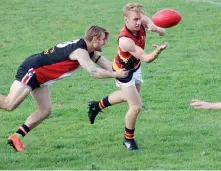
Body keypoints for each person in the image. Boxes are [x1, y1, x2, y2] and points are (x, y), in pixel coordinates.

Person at [0, 25, 128, 152]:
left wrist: (129, 66)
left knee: (45, 110)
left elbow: (108, 65)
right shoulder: (80, 51)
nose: (105, 42)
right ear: (95, 39)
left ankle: (16, 137)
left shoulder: (89, 50)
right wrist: (115, 75)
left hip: (41, 77)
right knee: (9, 104)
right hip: (33, 70)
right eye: (103, 39)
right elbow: (93, 72)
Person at [87, 3, 167, 150]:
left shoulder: (141, 20)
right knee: (136, 106)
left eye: (139, 19)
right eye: (134, 20)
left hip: (135, 67)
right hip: (123, 72)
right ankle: (128, 139)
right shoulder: (125, 40)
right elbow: (146, 58)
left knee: (128, 96)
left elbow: (163, 32)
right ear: (126, 20)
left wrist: (157, 28)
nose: (138, 22)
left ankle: (96, 105)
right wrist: (157, 52)